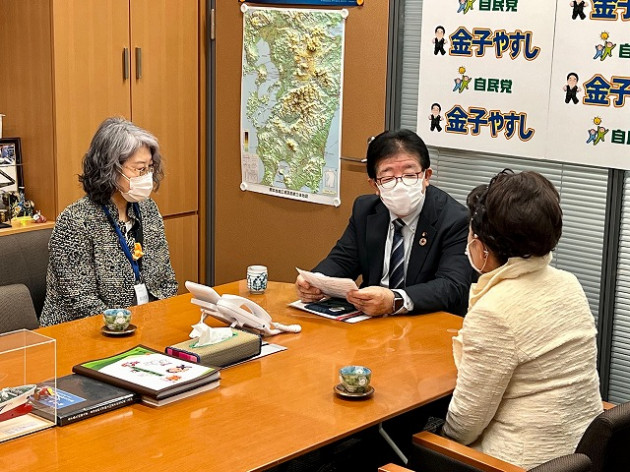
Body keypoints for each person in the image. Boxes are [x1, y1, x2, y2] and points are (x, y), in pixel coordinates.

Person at [443, 170, 602, 469]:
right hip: (581, 456)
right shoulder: (568, 283)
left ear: (482, 247)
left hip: (518, 463)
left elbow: (465, 424)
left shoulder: (494, 310)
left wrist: (435, 437)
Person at [296, 129, 473, 317]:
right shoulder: (365, 210)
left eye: (409, 175)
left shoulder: (455, 219)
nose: (400, 185)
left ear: (426, 176)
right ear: (375, 185)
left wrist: (395, 300)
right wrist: (315, 281)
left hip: (426, 319)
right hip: (371, 319)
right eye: (388, 178)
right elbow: (343, 260)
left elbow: (452, 285)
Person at [40, 117, 178, 326]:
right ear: (110, 169)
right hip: (82, 331)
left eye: (149, 168)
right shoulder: (76, 220)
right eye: (139, 169)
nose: (146, 177)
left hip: (141, 324)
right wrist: (128, 326)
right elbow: (81, 301)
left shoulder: (147, 209)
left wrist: (159, 320)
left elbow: (165, 281)